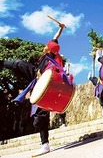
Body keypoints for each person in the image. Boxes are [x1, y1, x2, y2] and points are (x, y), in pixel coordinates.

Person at [0, 23, 66, 156]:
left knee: (39, 116)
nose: (45, 46)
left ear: (49, 49)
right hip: (37, 75)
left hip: (45, 83)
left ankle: (45, 144)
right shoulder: (47, 56)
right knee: (19, 64)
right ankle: (2, 64)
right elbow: (55, 36)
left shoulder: (52, 58)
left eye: (47, 46)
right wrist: (61, 28)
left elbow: (56, 72)